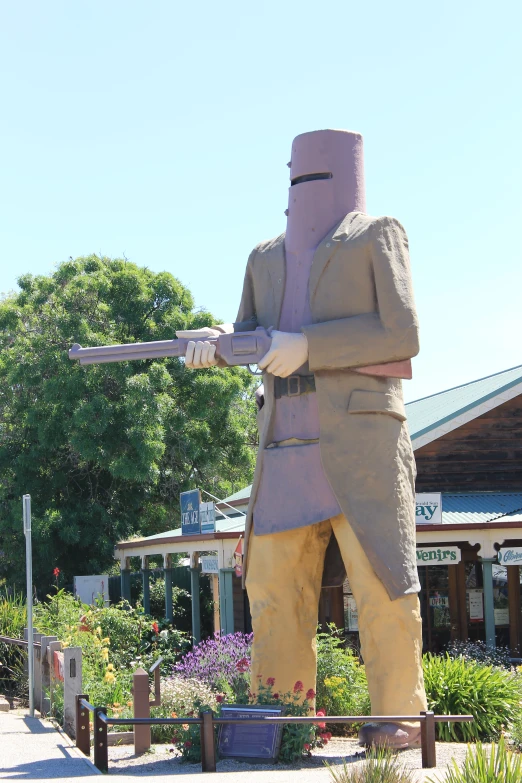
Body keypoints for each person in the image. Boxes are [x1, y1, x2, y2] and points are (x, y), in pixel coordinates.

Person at [177, 129, 427, 748]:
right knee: (272, 595)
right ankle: (279, 724)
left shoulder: (377, 234)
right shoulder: (262, 257)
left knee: (385, 587)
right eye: (297, 174)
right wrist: (214, 347)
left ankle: (398, 719)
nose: (304, 186)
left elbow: (402, 334)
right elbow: (247, 333)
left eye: (314, 173)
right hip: (282, 448)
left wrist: (310, 348)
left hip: (361, 444)